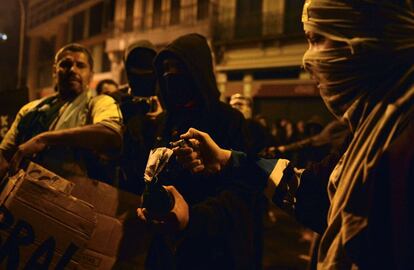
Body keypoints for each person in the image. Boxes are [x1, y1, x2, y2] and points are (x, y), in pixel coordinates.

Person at [169, 1, 414, 269]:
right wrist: (228, 160)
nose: (306, 60)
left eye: (316, 39)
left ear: (364, 43)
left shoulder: (403, 144)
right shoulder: (369, 130)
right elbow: (316, 192)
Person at [138, 33, 262, 270]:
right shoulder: (163, 123)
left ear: (196, 70)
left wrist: (193, 218)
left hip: (213, 250)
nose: (170, 74)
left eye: (178, 67)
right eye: (165, 68)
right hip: (164, 248)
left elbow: (243, 192)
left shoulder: (227, 120)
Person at [0, 43, 123, 181]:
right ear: (54, 71)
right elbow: (5, 153)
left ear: (91, 75)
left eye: (80, 66)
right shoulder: (30, 110)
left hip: (71, 196)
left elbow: (111, 133)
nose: (73, 70)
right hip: (20, 193)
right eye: (65, 64)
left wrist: (44, 139)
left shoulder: (99, 103)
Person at [109, 40, 164, 194]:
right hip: (121, 179)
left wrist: (162, 119)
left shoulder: (166, 100)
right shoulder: (116, 99)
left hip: (156, 181)